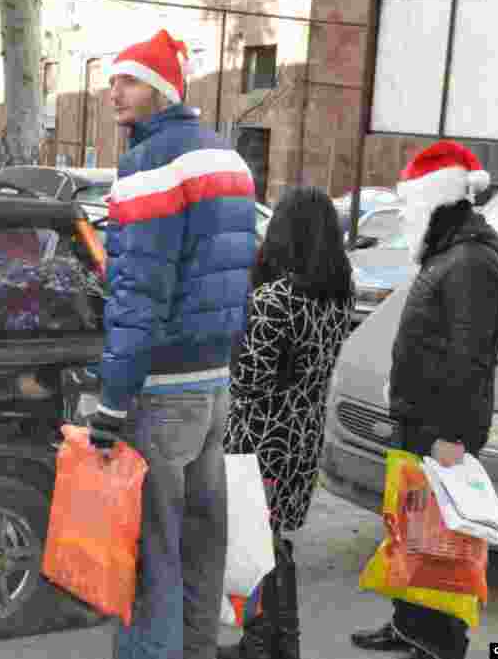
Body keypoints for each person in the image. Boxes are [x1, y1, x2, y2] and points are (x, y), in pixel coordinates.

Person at [87, 29, 257, 659]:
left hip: (162, 388)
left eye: (127, 81)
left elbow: (139, 292)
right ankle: (196, 650)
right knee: (200, 541)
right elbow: (239, 273)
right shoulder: (228, 159)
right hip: (214, 383)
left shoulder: (151, 164)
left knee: (149, 551)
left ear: (160, 89)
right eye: (112, 81)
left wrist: (112, 399)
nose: (114, 94)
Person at [350, 140, 498, 659]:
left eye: (414, 200)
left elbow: (471, 358)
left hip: (439, 431)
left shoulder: (468, 261)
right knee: (412, 534)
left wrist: (454, 435)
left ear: (435, 199)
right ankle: (409, 626)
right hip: (417, 422)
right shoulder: (446, 252)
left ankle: (441, 643)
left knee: (443, 543)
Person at [216, 187, 354, 659]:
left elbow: (249, 382)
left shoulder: (275, 297)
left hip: (261, 439)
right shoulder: (340, 294)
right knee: (275, 541)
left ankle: (262, 642)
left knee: (256, 543)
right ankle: (280, 641)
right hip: (302, 434)